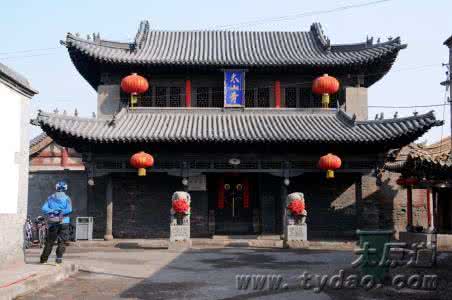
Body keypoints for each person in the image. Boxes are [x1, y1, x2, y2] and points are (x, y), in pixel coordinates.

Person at [40, 180, 72, 264]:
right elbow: (69, 209)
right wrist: (61, 211)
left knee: (50, 242)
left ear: (56, 188)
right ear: (65, 188)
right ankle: (59, 259)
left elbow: (44, 208)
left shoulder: (50, 197)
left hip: (53, 222)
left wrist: (53, 210)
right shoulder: (67, 198)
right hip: (64, 222)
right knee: (62, 241)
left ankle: (44, 259)